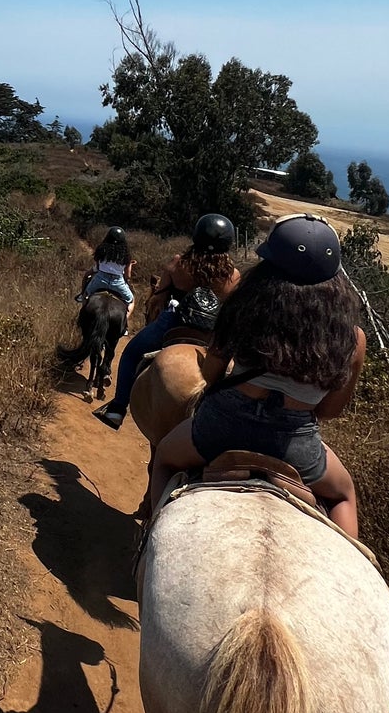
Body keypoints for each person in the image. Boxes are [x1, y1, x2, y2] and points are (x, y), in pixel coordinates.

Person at [142, 213, 364, 536]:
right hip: (296, 445)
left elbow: (211, 373)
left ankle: (149, 538)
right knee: (345, 494)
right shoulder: (353, 338)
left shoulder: (242, 306)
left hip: (224, 426)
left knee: (163, 456)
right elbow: (329, 411)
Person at [93, 214, 241, 428]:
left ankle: (117, 408)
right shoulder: (233, 275)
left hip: (174, 322)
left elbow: (159, 297)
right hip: (213, 332)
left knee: (131, 353)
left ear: (197, 236)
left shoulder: (178, 263)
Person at [77, 227, 136, 313]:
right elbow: (128, 276)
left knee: (86, 294)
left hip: (100, 279)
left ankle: (82, 312)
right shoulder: (125, 255)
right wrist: (130, 264)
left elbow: (97, 266)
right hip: (117, 282)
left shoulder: (102, 249)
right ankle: (125, 322)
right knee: (131, 300)